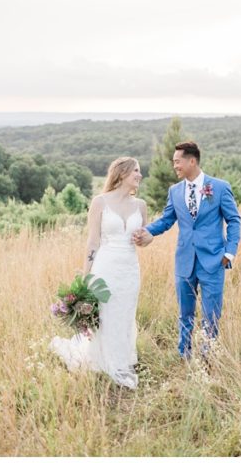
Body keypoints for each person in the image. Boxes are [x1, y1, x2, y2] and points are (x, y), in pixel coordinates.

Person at [132, 142, 241, 361]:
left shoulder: (219, 187)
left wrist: (229, 253)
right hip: (184, 261)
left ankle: (208, 356)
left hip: (213, 260)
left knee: (211, 314)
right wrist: (147, 231)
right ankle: (184, 353)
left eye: (177, 161)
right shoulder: (174, 191)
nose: (175, 166)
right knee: (185, 312)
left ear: (192, 161)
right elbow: (167, 220)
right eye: (174, 162)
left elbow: (234, 220)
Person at [51, 157, 146, 389]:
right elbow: (92, 242)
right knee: (106, 312)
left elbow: (145, 238)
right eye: (136, 171)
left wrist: (145, 239)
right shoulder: (100, 202)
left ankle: (122, 359)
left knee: (125, 312)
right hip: (105, 265)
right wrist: (86, 277)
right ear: (122, 173)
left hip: (130, 267)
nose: (140, 175)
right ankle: (105, 361)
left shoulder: (141, 205)